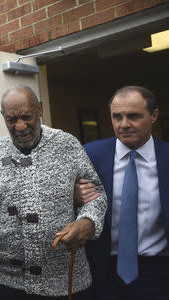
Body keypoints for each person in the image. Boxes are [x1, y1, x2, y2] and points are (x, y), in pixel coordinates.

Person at [0, 85, 107, 299]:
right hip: (7, 284)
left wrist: (88, 222)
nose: (20, 126)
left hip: (65, 281)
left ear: (39, 109)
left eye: (27, 117)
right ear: (3, 117)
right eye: (11, 120)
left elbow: (96, 195)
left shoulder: (67, 146)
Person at [81, 86, 169, 299]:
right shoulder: (90, 155)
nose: (124, 124)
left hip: (158, 273)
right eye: (117, 117)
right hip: (103, 273)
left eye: (133, 116)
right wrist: (75, 198)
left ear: (154, 115)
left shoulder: (167, 157)